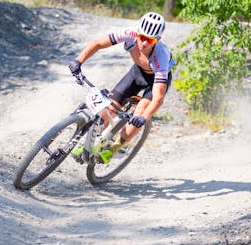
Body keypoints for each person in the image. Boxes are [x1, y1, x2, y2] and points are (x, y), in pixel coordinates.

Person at [69, 12, 175, 163]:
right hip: (137, 72)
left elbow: (158, 98)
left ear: (158, 39)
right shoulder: (130, 33)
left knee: (140, 112)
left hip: (155, 82)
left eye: (150, 40)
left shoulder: (161, 56)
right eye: (142, 37)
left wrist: (143, 118)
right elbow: (98, 43)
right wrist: (78, 61)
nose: (144, 43)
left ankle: (114, 148)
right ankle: (92, 144)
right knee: (110, 108)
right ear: (138, 32)